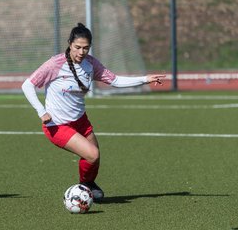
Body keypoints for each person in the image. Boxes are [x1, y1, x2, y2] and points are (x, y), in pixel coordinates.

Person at [21, 23, 165, 202]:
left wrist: (145, 79)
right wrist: (41, 111)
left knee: (95, 157)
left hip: (81, 121)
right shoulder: (55, 64)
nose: (81, 52)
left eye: (86, 48)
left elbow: (115, 80)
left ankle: (87, 185)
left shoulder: (90, 63)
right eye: (77, 47)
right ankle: (80, 191)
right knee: (92, 155)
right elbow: (27, 85)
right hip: (56, 125)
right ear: (69, 44)